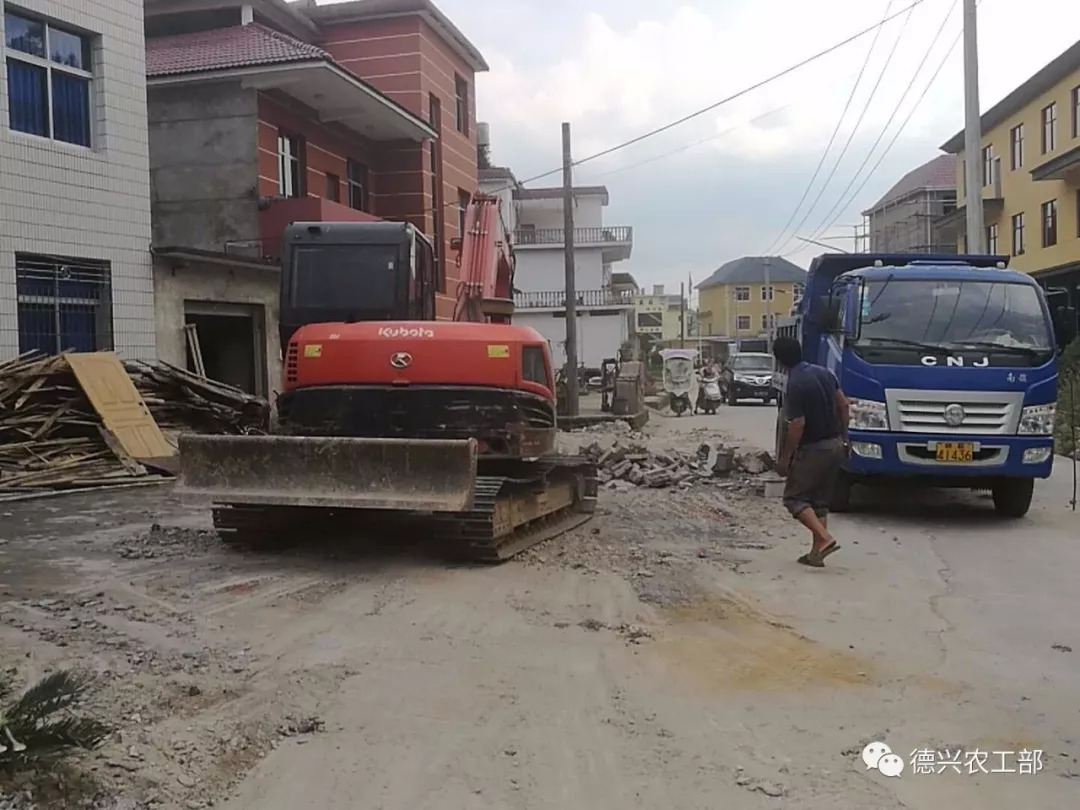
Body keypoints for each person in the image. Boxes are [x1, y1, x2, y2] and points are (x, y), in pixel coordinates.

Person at [773, 336, 850, 568]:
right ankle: (816, 553)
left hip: (814, 448)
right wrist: (845, 438)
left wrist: (785, 458)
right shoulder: (824, 373)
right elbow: (844, 405)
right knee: (819, 503)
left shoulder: (795, 383)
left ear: (779, 361)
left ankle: (825, 539)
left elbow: (797, 424)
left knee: (794, 498)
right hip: (835, 444)